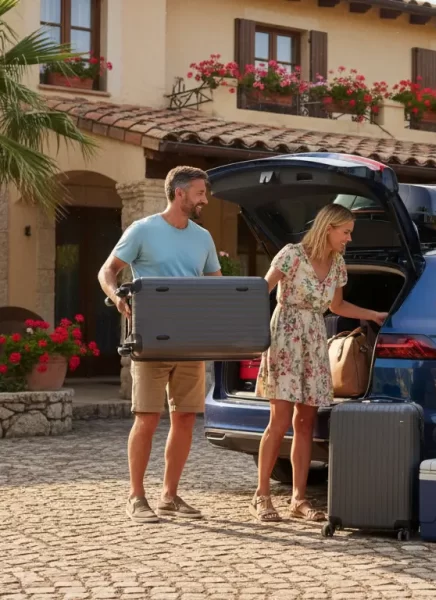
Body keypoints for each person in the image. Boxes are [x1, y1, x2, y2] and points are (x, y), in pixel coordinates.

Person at [98, 166, 221, 524]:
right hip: (150, 337)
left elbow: (216, 284)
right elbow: (108, 270)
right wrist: (117, 297)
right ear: (180, 193)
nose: (204, 199)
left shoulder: (203, 237)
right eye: (199, 192)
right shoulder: (143, 230)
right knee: (148, 417)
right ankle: (136, 496)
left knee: (185, 417)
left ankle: (169, 495)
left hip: (190, 341)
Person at [250, 204, 387, 524]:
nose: (349, 239)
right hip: (285, 337)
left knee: (305, 422)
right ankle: (261, 495)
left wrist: (372, 314)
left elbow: (336, 305)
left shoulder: (338, 263)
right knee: (279, 420)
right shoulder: (291, 254)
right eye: (346, 232)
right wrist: (248, 335)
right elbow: (259, 292)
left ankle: (298, 499)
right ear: (328, 228)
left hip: (313, 338)